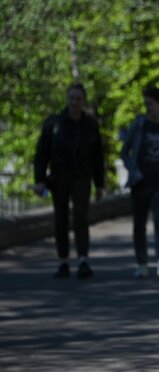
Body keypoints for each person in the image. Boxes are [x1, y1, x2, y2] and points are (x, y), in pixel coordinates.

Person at [33, 83, 105, 279]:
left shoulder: (90, 125)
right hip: (60, 175)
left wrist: (100, 184)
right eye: (72, 98)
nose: (74, 103)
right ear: (67, 100)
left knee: (81, 217)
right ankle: (63, 261)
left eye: (78, 99)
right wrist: (39, 180)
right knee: (61, 219)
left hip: (82, 175)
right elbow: (41, 154)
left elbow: (98, 156)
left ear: (83, 101)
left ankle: (83, 260)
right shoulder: (54, 124)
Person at [120, 84, 159, 279]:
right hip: (140, 183)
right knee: (139, 225)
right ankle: (141, 263)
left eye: (151, 104)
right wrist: (133, 170)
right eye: (146, 104)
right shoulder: (139, 125)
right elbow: (125, 151)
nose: (148, 108)